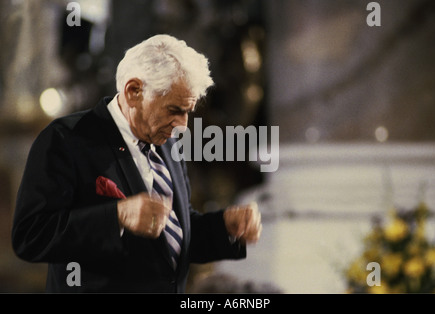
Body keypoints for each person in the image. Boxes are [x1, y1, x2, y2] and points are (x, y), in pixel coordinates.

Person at [11, 34, 262, 293]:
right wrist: (118, 217)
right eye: (174, 110)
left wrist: (224, 228)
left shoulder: (167, 143)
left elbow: (169, 236)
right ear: (134, 91)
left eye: (188, 111)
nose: (183, 126)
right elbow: (31, 236)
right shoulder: (66, 139)